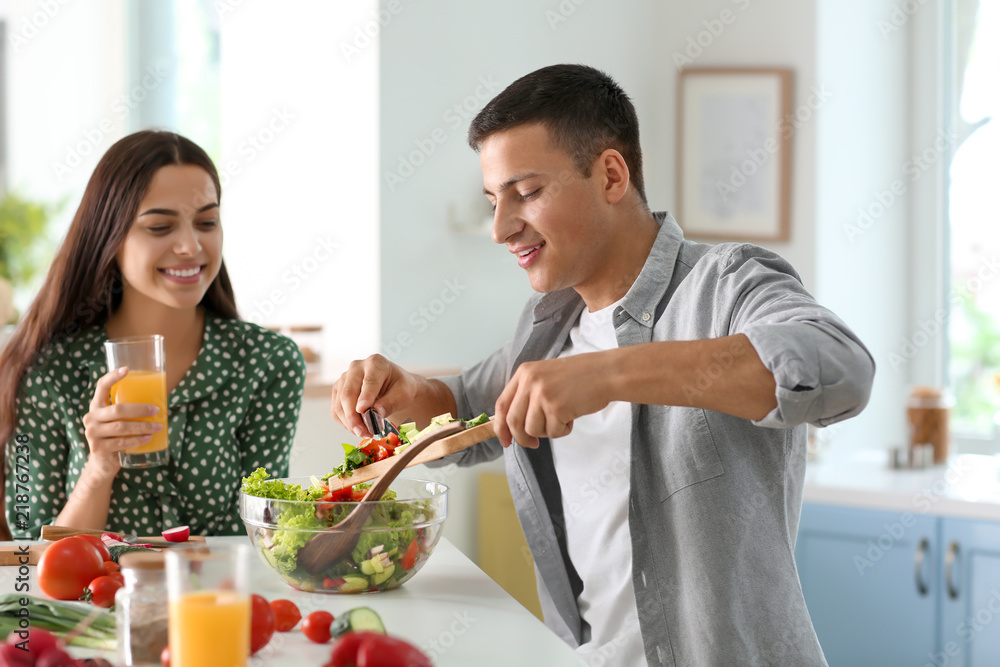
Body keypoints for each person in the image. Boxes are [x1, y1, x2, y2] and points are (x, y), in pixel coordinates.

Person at [330, 65, 874, 666]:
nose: (501, 228)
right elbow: (460, 411)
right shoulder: (549, 326)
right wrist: (402, 390)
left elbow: (839, 367)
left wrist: (610, 373)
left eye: (527, 193)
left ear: (611, 175)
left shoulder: (726, 283)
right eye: (494, 200)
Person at [0, 131, 306, 541]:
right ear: (110, 236)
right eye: (160, 227)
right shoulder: (45, 371)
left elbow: (266, 534)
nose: (190, 245)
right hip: (93, 606)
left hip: (215, 602)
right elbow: (28, 556)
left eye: (207, 222)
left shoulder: (268, 362)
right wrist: (98, 470)